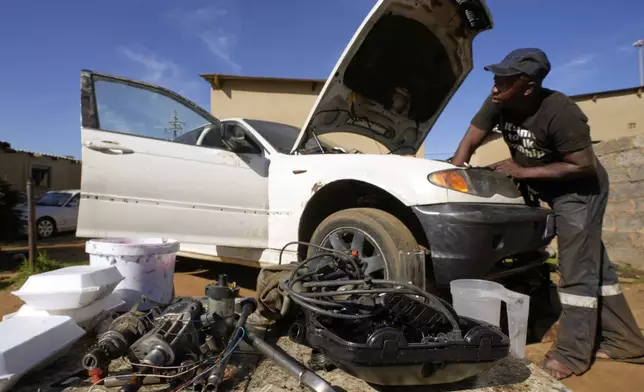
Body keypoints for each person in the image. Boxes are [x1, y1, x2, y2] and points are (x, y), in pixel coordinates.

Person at [451, 48, 644, 380]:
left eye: (505, 80)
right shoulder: (498, 100)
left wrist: (523, 172)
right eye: (496, 78)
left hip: (579, 191)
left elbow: (582, 165)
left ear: (528, 86)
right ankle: (626, 343)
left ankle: (571, 355)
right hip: (544, 186)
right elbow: (472, 137)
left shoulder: (561, 112)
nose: (495, 86)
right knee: (596, 267)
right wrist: (451, 174)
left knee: (576, 271)